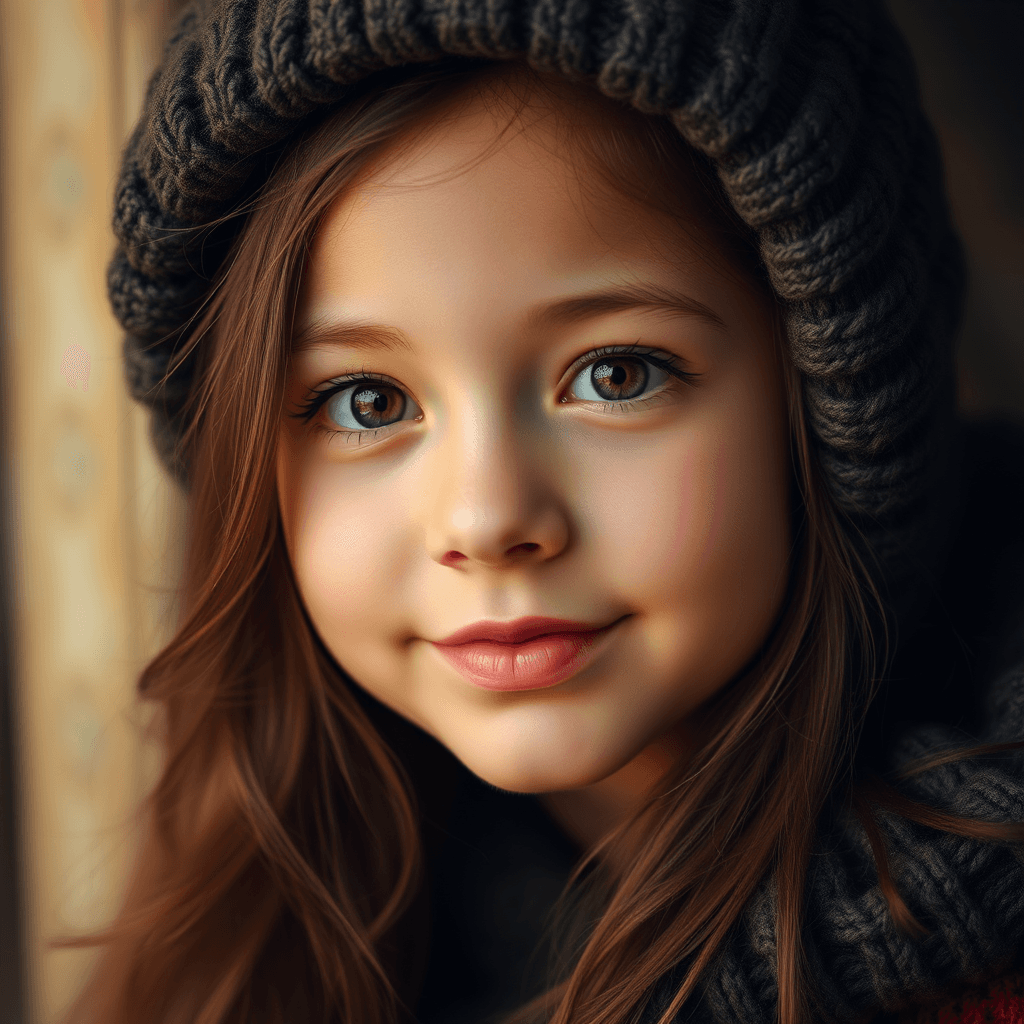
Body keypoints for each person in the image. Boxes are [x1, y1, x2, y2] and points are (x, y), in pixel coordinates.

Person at [60, 2, 1024, 1023]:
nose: (485, 518)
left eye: (614, 375)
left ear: (835, 398)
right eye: (367, 402)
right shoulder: (240, 944)